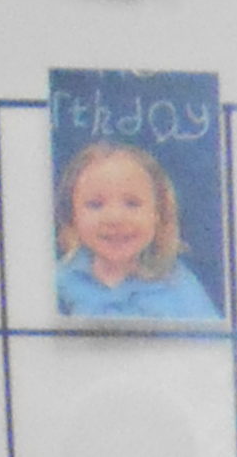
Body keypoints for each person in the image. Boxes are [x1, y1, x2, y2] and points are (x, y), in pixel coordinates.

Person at [52, 133, 220, 325]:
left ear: (158, 213)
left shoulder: (179, 286)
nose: (115, 218)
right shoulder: (59, 284)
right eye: (95, 205)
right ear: (71, 215)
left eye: (132, 204)